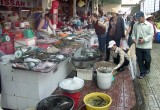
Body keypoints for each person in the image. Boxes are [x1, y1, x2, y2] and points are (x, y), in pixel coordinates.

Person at [131, 11, 154, 79]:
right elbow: (133, 34)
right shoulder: (135, 25)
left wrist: (144, 40)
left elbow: (151, 35)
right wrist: (133, 39)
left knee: (147, 59)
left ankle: (147, 68)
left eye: (139, 18)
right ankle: (142, 72)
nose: (138, 20)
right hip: (138, 46)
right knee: (139, 60)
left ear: (143, 17)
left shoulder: (149, 25)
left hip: (146, 46)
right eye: (137, 18)